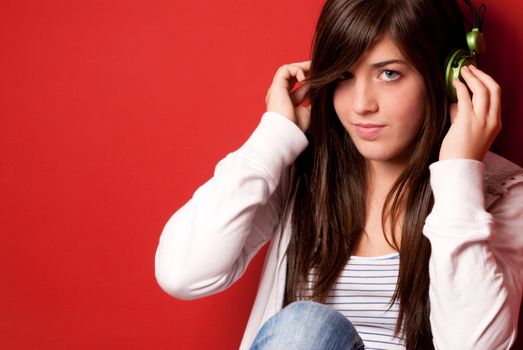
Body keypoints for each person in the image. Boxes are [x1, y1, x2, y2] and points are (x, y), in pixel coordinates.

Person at [154, 0, 523, 348]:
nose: (361, 104)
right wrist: (273, 136)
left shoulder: (503, 194)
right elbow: (183, 274)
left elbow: (472, 345)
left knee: (304, 328)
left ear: (449, 79)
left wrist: (460, 173)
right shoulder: (304, 176)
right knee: (305, 328)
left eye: (389, 74)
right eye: (344, 75)